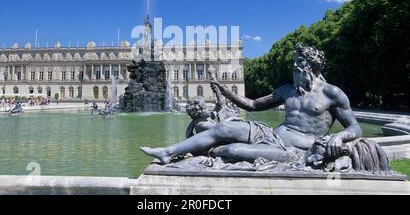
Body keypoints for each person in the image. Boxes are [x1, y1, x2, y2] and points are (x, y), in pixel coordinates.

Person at [141, 43, 362, 165]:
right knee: (224, 127)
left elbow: (355, 127)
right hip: (270, 134)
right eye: (294, 63)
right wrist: (226, 91)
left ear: (313, 66)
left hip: (295, 149)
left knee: (231, 149)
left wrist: (339, 136)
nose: (295, 68)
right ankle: (167, 152)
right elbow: (253, 105)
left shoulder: (332, 93)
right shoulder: (286, 90)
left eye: (300, 64)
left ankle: (211, 152)